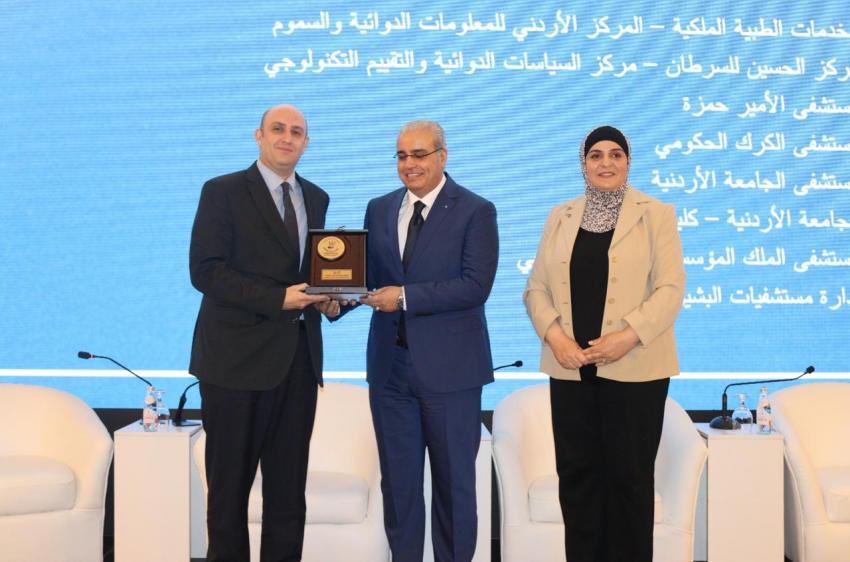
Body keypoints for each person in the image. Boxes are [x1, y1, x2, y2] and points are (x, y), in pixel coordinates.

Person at [524, 125, 685, 562]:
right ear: (583, 164)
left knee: (629, 482)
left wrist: (627, 336)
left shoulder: (656, 214)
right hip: (571, 368)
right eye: (596, 155)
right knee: (578, 480)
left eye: (616, 154)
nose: (606, 163)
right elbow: (536, 289)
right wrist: (555, 337)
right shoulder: (560, 216)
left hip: (636, 370)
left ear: (629, 163)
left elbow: (670, 290)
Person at [189, 104, 341, 562]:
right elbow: (206, 271)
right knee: (228, 495)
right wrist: (279, 299)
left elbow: (311, 275)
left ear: (306, 143)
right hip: (234, 364)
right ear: (258, 135)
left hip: (298, 363)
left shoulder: (317, 197)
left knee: (288, 495)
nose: (287, 138)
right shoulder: (222, 191)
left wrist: (330, 299)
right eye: (278, 129)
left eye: (297, 132)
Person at [358, 120, 499, 562]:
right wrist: (335, 299)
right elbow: (368, 279)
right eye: (401, 156)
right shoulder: (379, 208)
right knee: (399, 489)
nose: (410, 164)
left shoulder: (475, 210)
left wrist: (403, 297)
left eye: (419, 154)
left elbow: (475, 286)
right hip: (390, 373)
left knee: (455, 488)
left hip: (451, 374)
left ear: (442, 156)